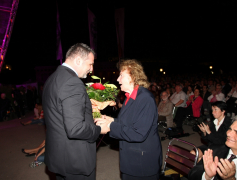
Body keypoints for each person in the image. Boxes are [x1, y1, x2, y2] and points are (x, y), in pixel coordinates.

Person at [95, 59, 162, 180]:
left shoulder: (145, 98)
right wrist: (111, 120)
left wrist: (110, 126)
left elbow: (138, 134)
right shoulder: (129, 96)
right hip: (132, 159)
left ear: (133, 76)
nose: (117, 79)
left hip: (143, 163)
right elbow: (127, 123)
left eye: (121, 75)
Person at [42, 43, 101, 180]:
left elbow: (60, 113)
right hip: (74, 159)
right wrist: (98, 129)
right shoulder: (72, 82)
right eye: (90, 64)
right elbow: (75, 128)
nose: (91, 69)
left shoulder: (53, 78)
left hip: (60, 156)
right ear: (78, 60)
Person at [188, 115, 237, 180]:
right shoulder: (215, 150)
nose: (228, 134)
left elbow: (217, 139)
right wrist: (207, 176)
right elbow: (192, 174)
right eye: (230, 129)